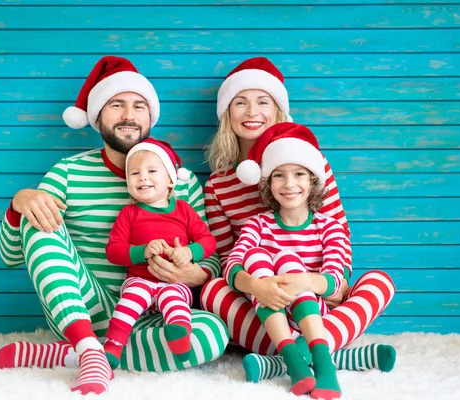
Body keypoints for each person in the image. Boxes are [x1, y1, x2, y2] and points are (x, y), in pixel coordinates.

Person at [0, 56, 227, 395]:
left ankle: (76, 357)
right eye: (116, 105)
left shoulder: (182, 180)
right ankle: (87, 346)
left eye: (139, 106)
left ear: (151, 117)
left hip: (156, 313)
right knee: (38, 213)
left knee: (211, 334)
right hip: (84, 310)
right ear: (97, 116)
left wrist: (192, 273)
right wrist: (19, 205)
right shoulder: (68, 173)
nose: (129, 115)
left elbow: (212, 258)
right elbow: (11, 257)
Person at [199, 57, 396, 382]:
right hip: (261, 298)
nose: (252, 112)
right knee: (211, 289)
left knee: (379, 282)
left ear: (278, 109)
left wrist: (314, 283)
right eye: (240, 102)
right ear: (226, 113)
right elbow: (225, 259)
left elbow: (339, 243)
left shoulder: (311, 163)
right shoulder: (218, 185)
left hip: (317, 290)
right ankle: (324, 353)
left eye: (263, 101)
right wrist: (258, 286)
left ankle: (288, 358)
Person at [231, 122, 346, 399]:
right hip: (269, 311)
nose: (289, 184)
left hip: (313, 313)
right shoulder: (258, 224)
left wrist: (300, 281)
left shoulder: (329, 226)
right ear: (269, 184)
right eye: (279, 175)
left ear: (313, 181)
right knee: (255, 255)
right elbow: (233, 265)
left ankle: (321, 362)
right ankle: (293, 358)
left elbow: (334, 279)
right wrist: (258, 286)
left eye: (299, 174)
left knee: (286, 258)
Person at [103, 138, 216, 368]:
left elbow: (208, 241)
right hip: (139, 280)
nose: (142, 177)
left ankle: (179, 338)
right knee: (130, 300)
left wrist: (188, 252)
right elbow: (113, 251)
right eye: (134, 173)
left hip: (174, 283)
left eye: (152, 170)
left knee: (175, 300)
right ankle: (113, 346)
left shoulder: (184, 210)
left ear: (171, 181)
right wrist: (141, 252)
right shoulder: (129, 214)